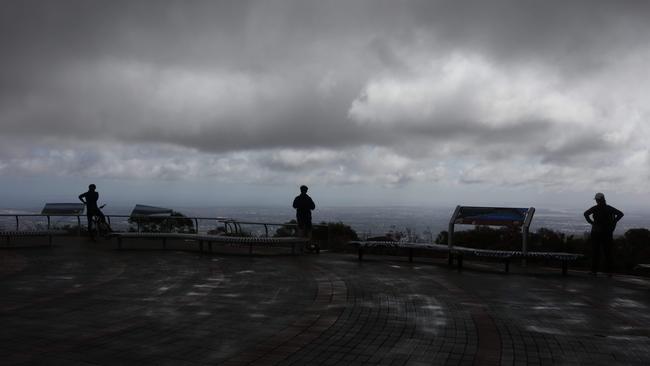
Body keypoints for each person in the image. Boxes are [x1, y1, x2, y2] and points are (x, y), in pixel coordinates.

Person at [583, 192, 623, 276]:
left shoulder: (596, 208)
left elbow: (585, 214)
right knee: (607, 252)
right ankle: (609, 271)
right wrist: (613, 222)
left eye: (597, 200)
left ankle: (594, 271)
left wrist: (591, 222)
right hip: (607, 233)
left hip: (597, 232)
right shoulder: (609, 208)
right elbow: (620, 214)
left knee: (596, 252)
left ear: (598, 200)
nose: (597, 201)